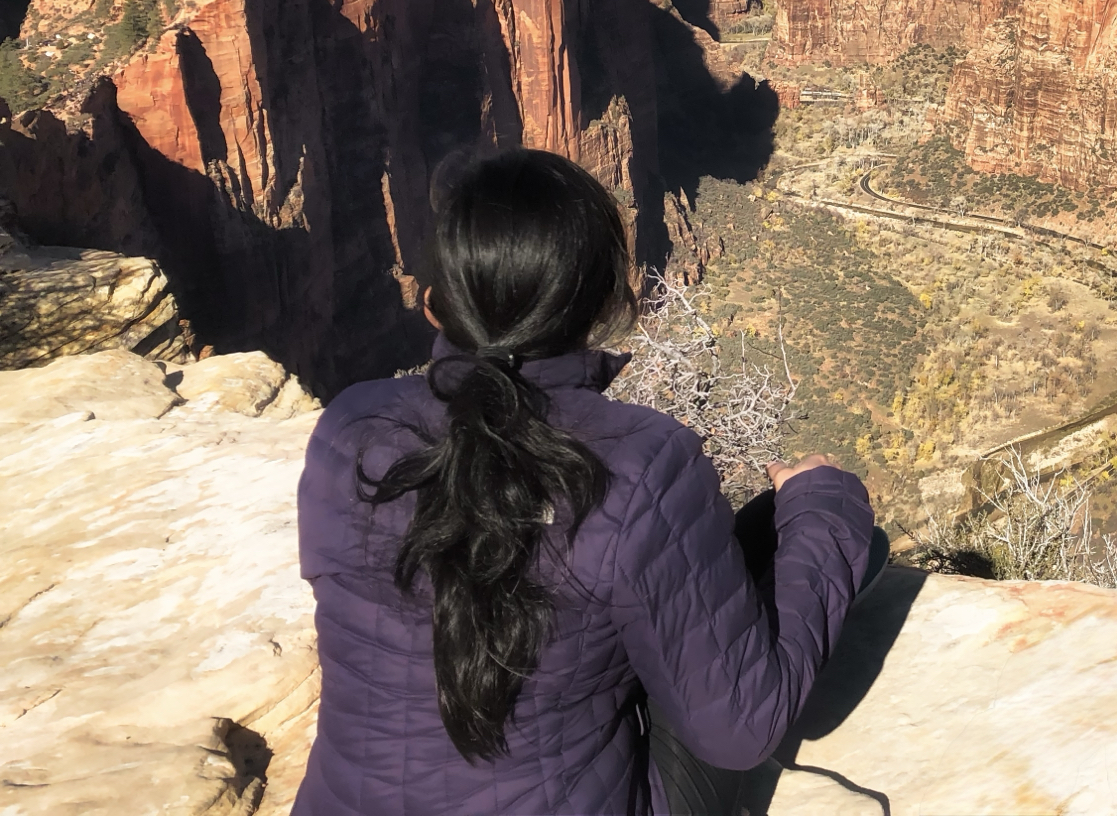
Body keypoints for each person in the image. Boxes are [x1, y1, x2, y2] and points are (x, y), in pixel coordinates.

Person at [293, 148, 880, 815]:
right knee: (805, 544)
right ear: (605, 302)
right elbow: (741, 729)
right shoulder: (643, 466)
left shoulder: (349, 431)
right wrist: (824, 505)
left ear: (433, 306)